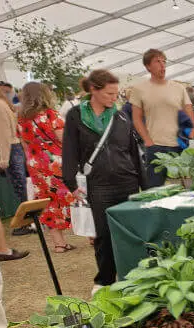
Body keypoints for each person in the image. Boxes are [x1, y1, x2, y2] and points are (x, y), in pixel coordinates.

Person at [62, 69, 147, 294]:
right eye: (110, 94)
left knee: (130, 233)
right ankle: (105, 280)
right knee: (103, 236)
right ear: (94, 90)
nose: (114, 98)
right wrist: (70, 182)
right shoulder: (75, 116)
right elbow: (69, 149)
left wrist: (145, 185)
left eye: (116, 94)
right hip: (98, 185)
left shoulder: (120, 116)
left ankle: (133, 278)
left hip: (127, 182)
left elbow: (132, 152)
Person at [17, 82, 75, 253]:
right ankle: (91, 236)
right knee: (72, 196)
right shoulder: (50, 114)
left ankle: (59, 243)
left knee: (47, 202)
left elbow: (25, 145)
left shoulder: (21, 118)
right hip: (55, 162)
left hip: (36, 164)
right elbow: (63, 138)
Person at [131, 49, 194, 186]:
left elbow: (189, 112)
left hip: (179, 146)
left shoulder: (178, 88)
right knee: (154, 190)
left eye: (164, 61)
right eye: (157, 61)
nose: (162, 65)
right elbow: (136, 118)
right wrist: (148, 141)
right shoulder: (139, 89)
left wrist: (190, 137)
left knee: (183, 188)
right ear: (148, 66)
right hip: (155, 147)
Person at [0, 88, 29, 234]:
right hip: (14, 147)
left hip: (10, 149)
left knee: (19, 188)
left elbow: (3, 134)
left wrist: (3, 158)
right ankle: (28, 223)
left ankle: (26, 224)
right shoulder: (4, 103)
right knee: (21, 187)